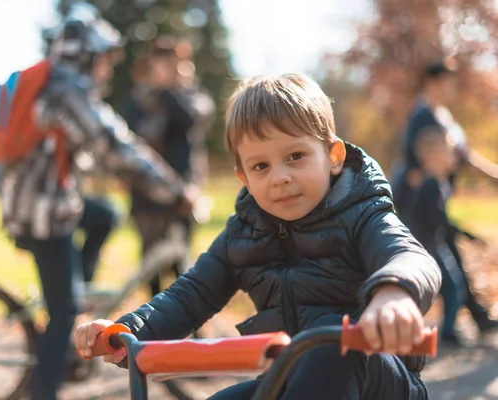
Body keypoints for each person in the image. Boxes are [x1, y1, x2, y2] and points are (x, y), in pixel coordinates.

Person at [75, 73, 442, 399]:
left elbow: (409, 256)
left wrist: (394, 295)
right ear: (243, 177)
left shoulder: (361, 213)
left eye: (295, 156)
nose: (279, 177)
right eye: (261, 166)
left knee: (335, 343)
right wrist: (128, 329)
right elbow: (190, 295)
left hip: (377, 379)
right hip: (292, 376)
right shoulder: (243, 234)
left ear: (333, 156)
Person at [0, 14, 198, 400]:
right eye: (105, 59)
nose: (108, 69)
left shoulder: (55, 85)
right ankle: (45, 387)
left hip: (41, 203)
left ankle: (79, 291)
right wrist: (174, 189)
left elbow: (96, 149)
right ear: (88, 56)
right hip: (43, 213)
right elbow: (115, 144)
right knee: (64, 313)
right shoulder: (66, 89)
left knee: (106, 214)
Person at [392, 60, 498, 336]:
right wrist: (427, 197)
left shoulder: (445, 116)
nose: (452, 87)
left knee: (451, 260)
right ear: (433, 83)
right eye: (448, 82)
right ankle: (464, 320)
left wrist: (492, 175)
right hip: (425, 206)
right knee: (445, 261)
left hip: (438, 198)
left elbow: (464, 155)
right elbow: (414, 163)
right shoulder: (422, 116)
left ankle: (475, 316)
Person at [122, 35, 215, 297]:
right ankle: (156, 327)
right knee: (150, 265)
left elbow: (191, 119)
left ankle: (191, 329)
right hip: (146, 196)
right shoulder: (138, 99)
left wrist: (169, 92)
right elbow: (131, 136)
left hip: (183, 195)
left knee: (182, 265)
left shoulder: (191, 95)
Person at [407, 127, 467, 346]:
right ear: (431, 156)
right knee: (452, 287)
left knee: (449, 287)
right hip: (427, 247)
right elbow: (436, 219)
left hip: (431, 244)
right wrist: (463, 232)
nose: (453, 156)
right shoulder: (431, 183)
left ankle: (444, 331)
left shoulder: (437, 183)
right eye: (449, 151)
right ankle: (447, 333)